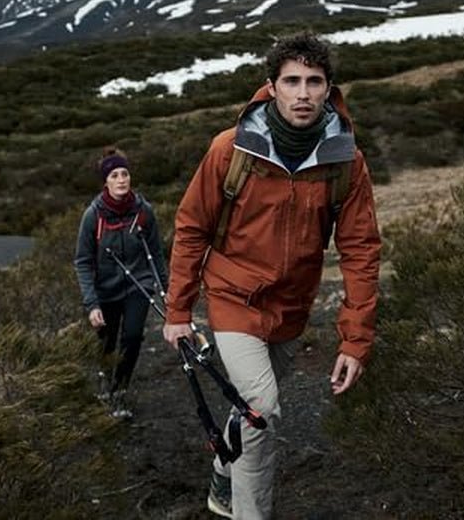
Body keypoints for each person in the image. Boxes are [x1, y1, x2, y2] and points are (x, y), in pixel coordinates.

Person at [162, 32, 381, 519]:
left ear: (329, 89)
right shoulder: (231, 149)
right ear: (272, 87)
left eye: (314, 82)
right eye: (292, 81)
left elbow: (361, 250)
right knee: (261, 410)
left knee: (250, 407)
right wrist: (178, 310)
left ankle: (224, 469)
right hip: (233, 297)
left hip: (292, 307)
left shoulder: (346, 161)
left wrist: (355, 340)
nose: (303, 93)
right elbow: (192, 226)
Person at [74, 148, 167, 420]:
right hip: (105, 291)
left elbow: (156, 253)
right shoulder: (94, 216)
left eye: (125, 173)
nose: (121, 179)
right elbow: (82, 261)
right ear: (106, 181)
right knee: (107, 341)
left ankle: (120, 390)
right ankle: (105, 380)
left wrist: (166, 289)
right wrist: (91, 304)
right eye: (114, 175)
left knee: (133, 337)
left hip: (138, 286)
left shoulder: (143, 211)